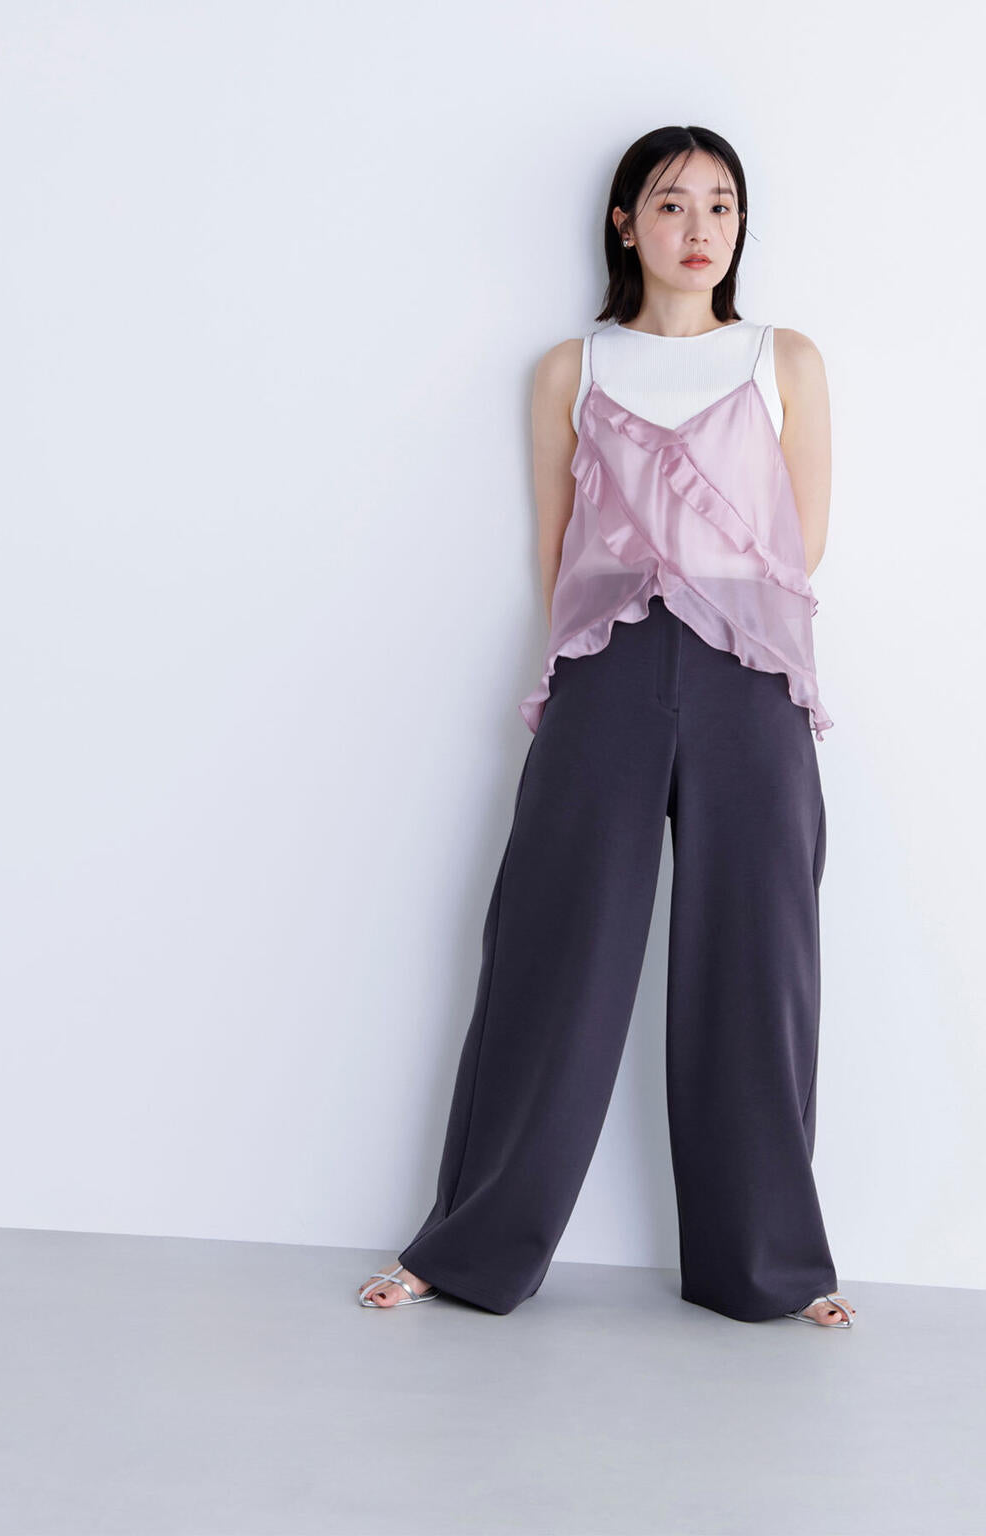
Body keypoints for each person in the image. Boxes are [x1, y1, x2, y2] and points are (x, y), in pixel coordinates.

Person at [357, 124, 856, 1329]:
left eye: (721, 205)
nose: (699, 228)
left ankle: (768, 1269)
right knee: (551, 955)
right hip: (605, 671)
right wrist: (607, 652)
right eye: (671, 203)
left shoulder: (781, 360)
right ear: (623, 223)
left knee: (759, 965)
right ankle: (467, 1249)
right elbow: (556, 549)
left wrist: (711, 611)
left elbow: (801, 544)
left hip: (749, 676)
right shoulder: (568, 369)